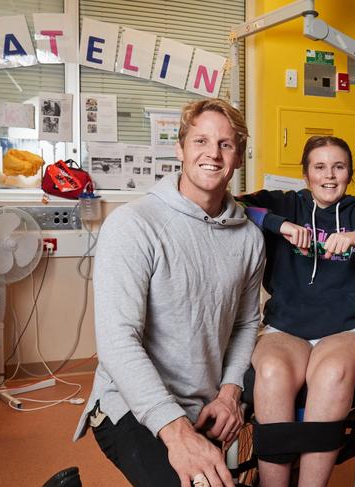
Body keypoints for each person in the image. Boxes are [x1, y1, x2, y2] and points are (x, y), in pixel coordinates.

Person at [73, 99, 265, 487]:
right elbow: (117, 342)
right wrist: (177, 433)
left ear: (239, 157)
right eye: (201, 141)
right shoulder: (133, 225)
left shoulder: (249, 238)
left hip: (205, 404)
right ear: (180, 149)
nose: (213, 153)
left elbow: (246, 324)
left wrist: (230, 394)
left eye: (226, 144)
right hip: (129, 405)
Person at [237, 136, 355, 487]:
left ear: (350, 173)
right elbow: (234, 206)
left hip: (347, 329)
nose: (329, 176)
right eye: (320, 167)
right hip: (287, 327)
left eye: (339, 167)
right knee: (271, 372)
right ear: (306, 175)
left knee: (332, 372)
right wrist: (280, 225)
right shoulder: (286, 204)